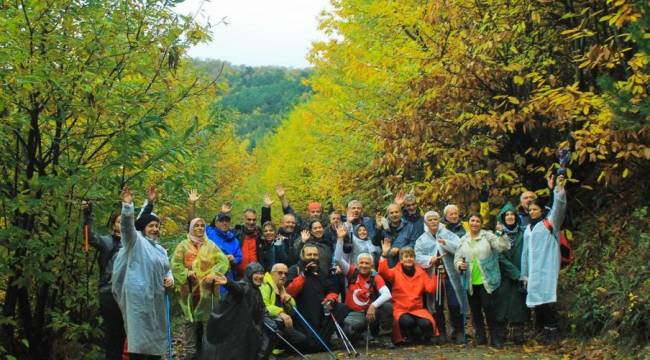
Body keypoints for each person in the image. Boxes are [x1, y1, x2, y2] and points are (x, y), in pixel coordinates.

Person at [112, 186, 174, 360]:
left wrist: (170, 279)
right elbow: (127, 227)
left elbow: (167, 269)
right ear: (143, 228)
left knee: (155, 339)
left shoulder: (161, 250)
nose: (155, 229)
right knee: (138, 340)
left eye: (157, 226)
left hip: (156, 299)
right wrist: (127, 206)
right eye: (151, 226)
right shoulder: (135, 242)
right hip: (138, 299)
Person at [171, 214, 230, 359]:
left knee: (208, 322)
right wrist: (186, 272)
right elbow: (175, 264)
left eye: (202, 225)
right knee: (189, 323)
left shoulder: (211, 245)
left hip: (208, 293)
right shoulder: (183, 245)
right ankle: (190, 354)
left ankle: (208, 354)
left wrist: (213, 274)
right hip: (189, 292)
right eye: (196, 225)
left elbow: (223, 262)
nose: (199, 228)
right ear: (191, 228)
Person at [521, 175, 567, 343]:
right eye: (530, 209)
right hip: (533, 271)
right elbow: (524, 253)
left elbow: (558, 207)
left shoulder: (550, 223)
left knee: (547, 299)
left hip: (547, 268)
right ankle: (544, 331)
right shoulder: (527, 228)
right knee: (537, 301)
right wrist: (524, 274)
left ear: (541, 210)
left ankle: (553, 330)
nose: (532, 211)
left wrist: (558, 189)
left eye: (535, 209)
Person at [455, 214, 510, 347]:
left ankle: (495, 337)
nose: (474, 223)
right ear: (468, 223)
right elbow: (457, 258)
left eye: (477, 221)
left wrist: (501, 233)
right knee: (475, 310)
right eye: (472, 221)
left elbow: (503, 247)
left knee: (489, 308)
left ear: (481, 223)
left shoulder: (488, 236)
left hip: (487, 280)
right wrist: (459, 265)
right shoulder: (463, 239)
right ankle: (481, 336)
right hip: (470, 281)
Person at [414, 210, 467, 344]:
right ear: (426, 222)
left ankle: (459, 330)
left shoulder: (449, 234)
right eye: (430, 220)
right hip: (433, 274)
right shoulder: (422, 239)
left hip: (450, 274)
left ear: (439, 221)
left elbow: (460, 248)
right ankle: (441, 332)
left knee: (455, 303)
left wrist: (445, 244)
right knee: (436, 304)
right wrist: (429, 259)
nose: (433, 222)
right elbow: (417, 256)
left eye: (435, 219)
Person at [203, 262, 275, 360]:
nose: (260, 276)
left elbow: (261, 308)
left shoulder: (257, 290)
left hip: (251, 328)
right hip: (240, 332)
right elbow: (239, 289)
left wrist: (269, 320)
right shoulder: (246, 285)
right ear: (250, 275)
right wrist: (228, 283)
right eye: (256, 273)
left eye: (261, 273)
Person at [333, 225, 392, 342]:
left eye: (367, 263)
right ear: (357, 264)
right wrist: (340, 239)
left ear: (371, 265)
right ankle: (360, 335)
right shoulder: (351, 272)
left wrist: (373, 305)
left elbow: (387, 294)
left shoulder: (375, 276)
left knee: (387, 306)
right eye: (362, 263)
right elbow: (338, 259)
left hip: (369, 313)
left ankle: (384, 337)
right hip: (353, 313)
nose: (364, 265)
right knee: (346, 332)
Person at [285, 243, 349, 353]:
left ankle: (320, 343)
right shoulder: (294, 270)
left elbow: (332, 290)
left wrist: (329, 299)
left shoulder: (321, 272)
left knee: (341, 308)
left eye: (315, 255)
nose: (312, 257)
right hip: (302, 314)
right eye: (309, 254)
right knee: (308, 343)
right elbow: (290, 292)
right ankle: (318, 344)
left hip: (321, 312)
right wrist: (304, 274)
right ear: (303, 256)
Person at [378, 239, 438, 345]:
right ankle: (407, 336)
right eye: (406, 256)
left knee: (427, 324)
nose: (409, 259)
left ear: (414, 259)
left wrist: (434, 272)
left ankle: (421, 336)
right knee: (407, 322)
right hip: (401, 309)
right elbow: (383, 272)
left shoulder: (421, 272)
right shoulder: (395, 272)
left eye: (411, 256)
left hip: (417, 309)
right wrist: (384, 254)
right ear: (401, 260)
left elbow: (430, 289)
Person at [493, 202, 528, 345]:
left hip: (522, 274)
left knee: (519, 303)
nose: (509, 217)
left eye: (512, 214)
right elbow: (498, 256)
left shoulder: (525, 232)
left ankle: (518, 332)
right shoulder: (496, 235)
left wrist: (522, 273)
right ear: (502, 218)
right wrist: (515, 272)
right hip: (503, 275)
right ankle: (501, 333)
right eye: (506, 215)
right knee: (501, 304)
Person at [259, 263, 308, 354]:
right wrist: (281, 312)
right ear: (272, 274)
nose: (283, 276)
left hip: (280, 324)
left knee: (302, 340)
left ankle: (277, 348)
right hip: (267, 325)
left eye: (286, 274)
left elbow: (292, 312)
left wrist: (288, 300)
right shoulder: (265, 285)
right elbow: (263, 307)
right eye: (280, 273)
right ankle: (271, 348)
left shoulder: (281, 287)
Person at [374, 203, 416, 267]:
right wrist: (378, 228)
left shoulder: (410, 227)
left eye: (396, 212)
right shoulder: (384, 227)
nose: (394, 215)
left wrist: (400, 250)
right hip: (388, 265)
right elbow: (375, 243)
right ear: (388, 215)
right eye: (391, 213)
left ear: (401, 213)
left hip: (404, 265)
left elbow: (414, 244)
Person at [206, 211, 242, 285]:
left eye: (227, 221)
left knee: (225, 295)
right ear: (216, 223)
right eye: (221, 221)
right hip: (208, 274)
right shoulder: (209, 232)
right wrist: (191, 204)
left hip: (227, 276)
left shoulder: (234, 240)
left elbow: (239, 257)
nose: (225, 223)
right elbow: (193, 224)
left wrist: (233, 259)